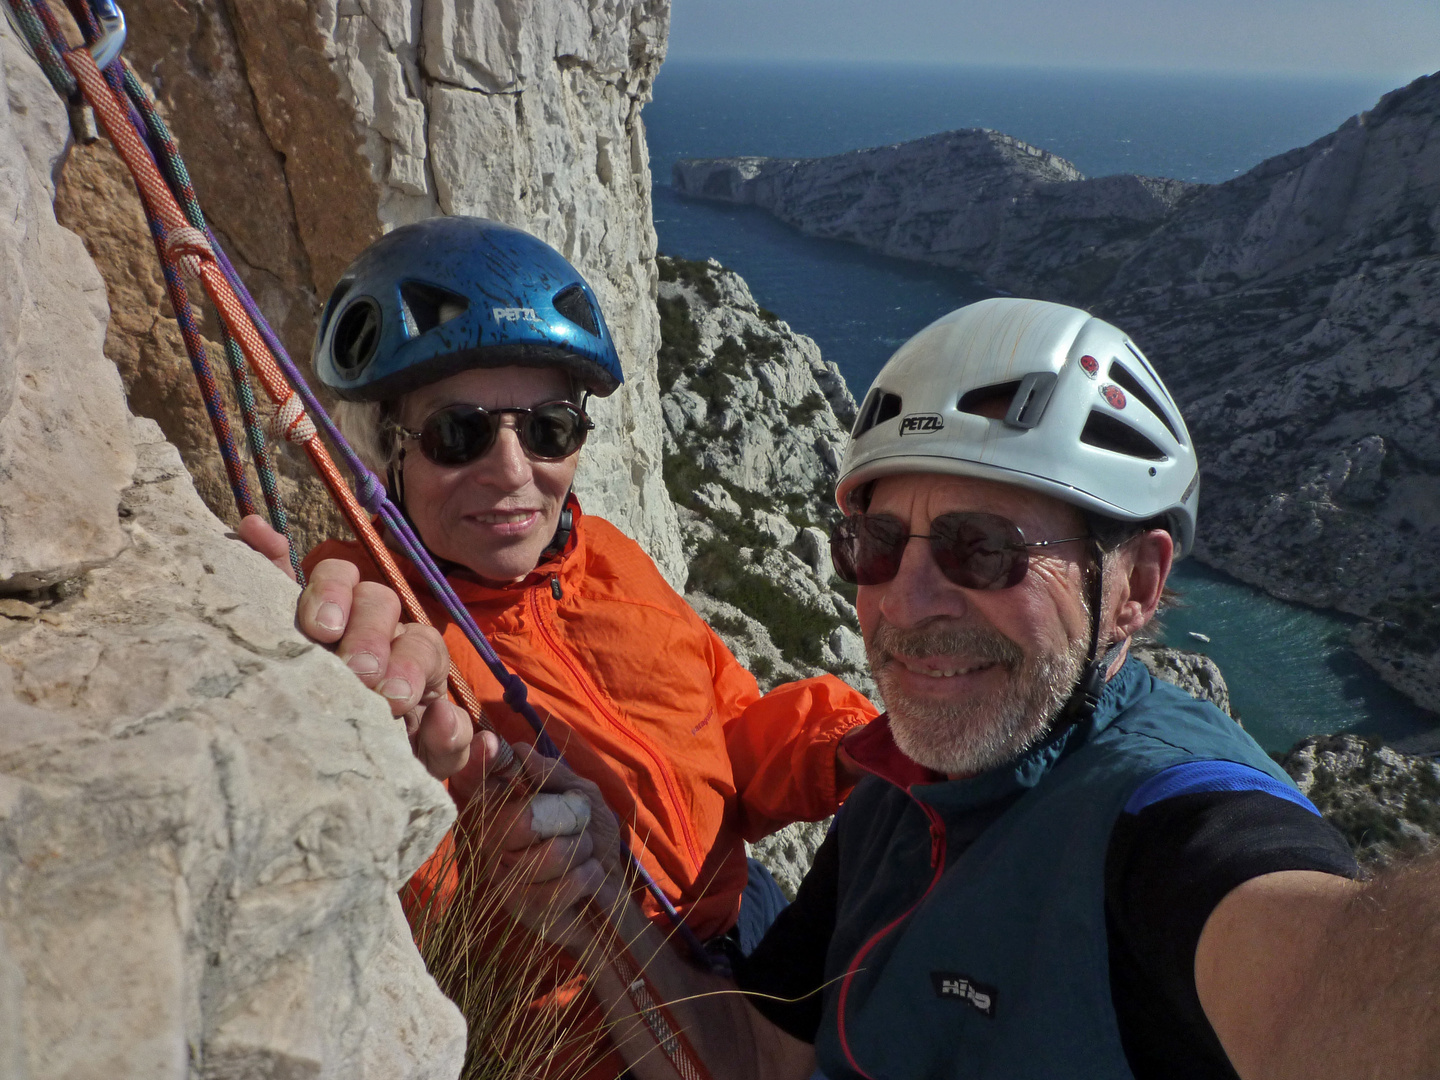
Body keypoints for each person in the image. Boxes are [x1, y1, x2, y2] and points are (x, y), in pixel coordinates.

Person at [481, 297, 1440, 1080]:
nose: (908, 600)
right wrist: (598, 908)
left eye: (985, 550)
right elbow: (761, 1062)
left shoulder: (1162, 822)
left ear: (1137, 588)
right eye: (877, 544)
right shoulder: (898, 790)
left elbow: (1330, 981)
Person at [240, 216, 876, 1076]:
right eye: (458, 432)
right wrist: (307, 692)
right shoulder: (383, 625)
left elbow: (723, 738)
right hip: (596, 1035)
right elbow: (421, 892)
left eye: (548, 429)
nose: (512, 471)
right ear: (385, 451)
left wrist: (866, 750)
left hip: (734, 926)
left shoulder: (607, 559)